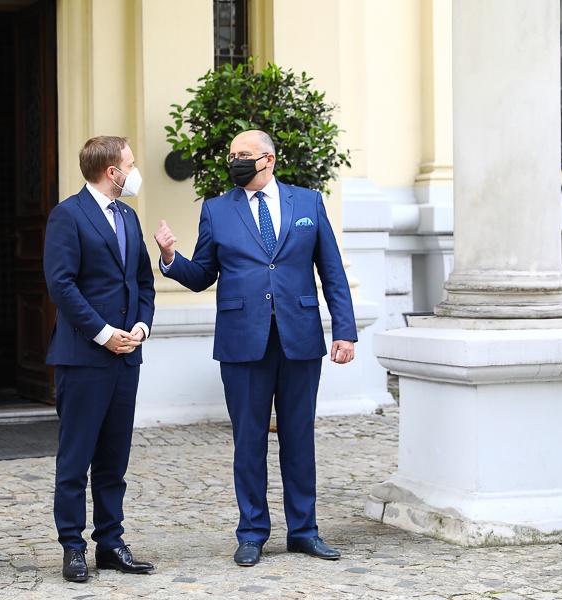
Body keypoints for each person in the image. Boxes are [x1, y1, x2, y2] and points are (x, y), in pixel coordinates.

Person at [154, 129, 357, 567]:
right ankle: (251, 533)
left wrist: (345, 329)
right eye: (232, 155)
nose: (235, 161)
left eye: (243, 154)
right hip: (242, 340)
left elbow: (333, 272)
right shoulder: (216, 209)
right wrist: (171, 258)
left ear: (268, 159)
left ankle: (304, 531)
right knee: (248, 441)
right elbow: (203, 273)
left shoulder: (308, 202)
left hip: (300, 337)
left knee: (299, 438)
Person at [43, 136, 156, 582]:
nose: (134, 169)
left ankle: (111, 542)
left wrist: (142, 328)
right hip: (84, 358)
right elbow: (62, 285)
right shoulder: (67, 215)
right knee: (75, 459)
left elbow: (143, 282)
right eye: (130, 162)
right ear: (113, 171)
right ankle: (73, 546)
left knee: (114, 460)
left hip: (127, 358)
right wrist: (105, 334)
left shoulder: (129, 215)